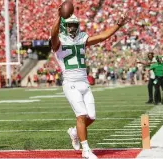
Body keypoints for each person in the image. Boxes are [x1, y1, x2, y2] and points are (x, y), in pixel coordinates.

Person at [51, 8, 129, 159]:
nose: (72, 27)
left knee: (91, 117)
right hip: (71, 82)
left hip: (84, 83)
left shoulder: (81, 38)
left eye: (74, 25)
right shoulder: (58, 40)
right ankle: (86, 150)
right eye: (69, 25)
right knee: (81, 115)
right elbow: (53, 34)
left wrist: (118, 25)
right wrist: (59, 16)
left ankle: (74, 132)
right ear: (63, 26)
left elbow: (102, 37)